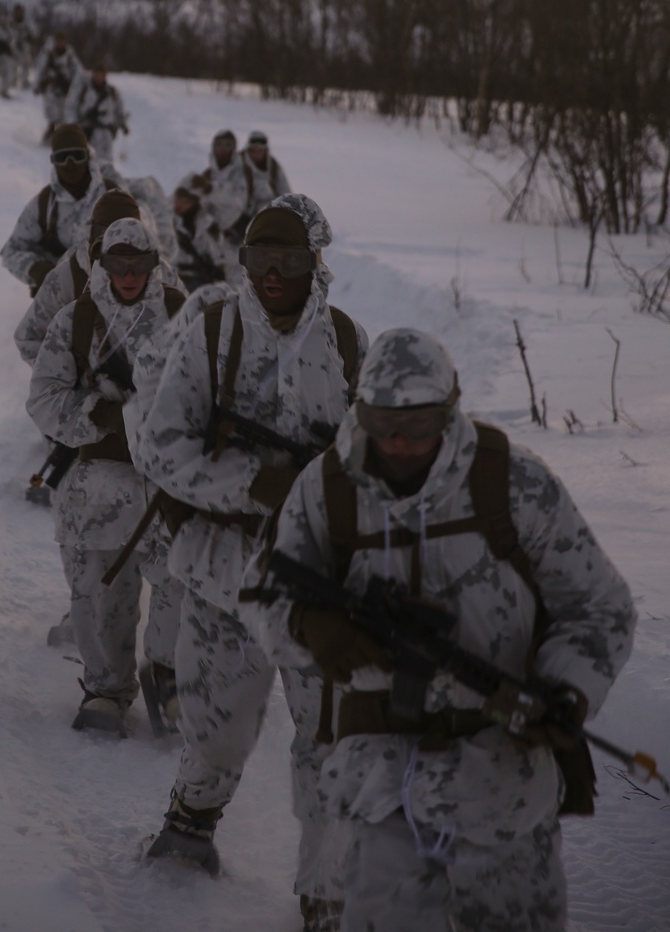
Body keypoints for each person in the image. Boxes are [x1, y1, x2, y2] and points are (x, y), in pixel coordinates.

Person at [244, 327, 637, 932]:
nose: (399, 441)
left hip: (503, 783)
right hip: (379, 789)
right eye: (381, 422)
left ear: (450, 410)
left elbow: (599, 606)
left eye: (420, 425)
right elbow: (259, 591)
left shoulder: (512, 483)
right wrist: (310, 627)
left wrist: (567, 690)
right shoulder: (327, 488)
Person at [130, 194, 367, 884]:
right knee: (215, 731)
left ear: (315, 263)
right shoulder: (210, 335)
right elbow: (159, 446)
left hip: (316, 585)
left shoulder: (349, 345)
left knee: (328, 738)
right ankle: (189, 826)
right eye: (260, 257)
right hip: (221, 576)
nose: (273, 273)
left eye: (290, 258)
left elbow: (386, 466)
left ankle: (326, 891)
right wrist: (253, 486)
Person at [27, 217, 187, 736]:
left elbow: (212, 396)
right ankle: (106, 690)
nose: (128, 275)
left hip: (167, 489)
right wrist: (99, 414)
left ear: (153, 264)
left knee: (178, 592)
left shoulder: (183, 318)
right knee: (100, 597)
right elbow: (44, 399)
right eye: (117, 265)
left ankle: (173, 686)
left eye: (138, 265)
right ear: (102, 265)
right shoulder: (76, 321)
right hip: (94, 488)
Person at [15, 189, 183, 368]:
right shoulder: (68, 275)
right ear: (91, 232)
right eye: (106, 231)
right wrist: (71, 378)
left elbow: (188, 336)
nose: (116, 238)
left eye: (127, 232)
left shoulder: (160, 272)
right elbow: (29, 337)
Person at [0, 124, 116, 296]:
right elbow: (11, 251)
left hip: (114, 293)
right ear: (53, 162)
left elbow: (141, 243)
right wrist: (37, 270)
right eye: (62, 157)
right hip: (63, 297)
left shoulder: (113, 197)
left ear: (88, 156)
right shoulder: (44, 205)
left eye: (77, 156)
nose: (70, 165)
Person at [189, 130, 256, 283]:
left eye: (227, 145)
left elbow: (238, 201)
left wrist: (211, 189)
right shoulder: (207, 175)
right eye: (219, 145)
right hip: (213, 241)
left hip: (238, 237)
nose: (223, 149)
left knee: (239, 285)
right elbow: (199, 207)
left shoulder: (242, 172)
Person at [171, 181, 227, 294]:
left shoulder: (206, 224)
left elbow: (215, 252)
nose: (179, 205)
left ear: (193, 203)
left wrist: (219, 272)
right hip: (177, 277)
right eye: (178, 200)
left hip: (201, 279)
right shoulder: (170, 223)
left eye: (185, 201)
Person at [67, 62, 129, 163]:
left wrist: (123, 124)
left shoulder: (112, 93)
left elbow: (118, 111)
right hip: (87, 131)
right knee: (86, 161)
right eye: (97, 74)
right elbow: (71, 107)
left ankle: (104, 178)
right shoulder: (84, 90)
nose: (99, 77)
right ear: (93, 75)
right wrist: (73, 124)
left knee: (106, 162)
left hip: (106, 133)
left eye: (102, 75)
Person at [33, 33, 82, 145]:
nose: (60, 43)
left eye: (63, 41)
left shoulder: (70, 55)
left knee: (63, 115)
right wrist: (37, 85)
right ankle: (49, 135)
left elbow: (78, 71)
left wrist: (76, 87)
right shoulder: (48, 53)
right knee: (52, 115)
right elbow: (40, 68)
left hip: (65, 89)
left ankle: (59, 137)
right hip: (51, 88)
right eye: (58, 41)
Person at [241, 130, 291, 209]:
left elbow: (284, 191)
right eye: (254, 150)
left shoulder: (273, 166)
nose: (257, 153)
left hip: (269, 212)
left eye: (260, 150)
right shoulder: (237, 164)